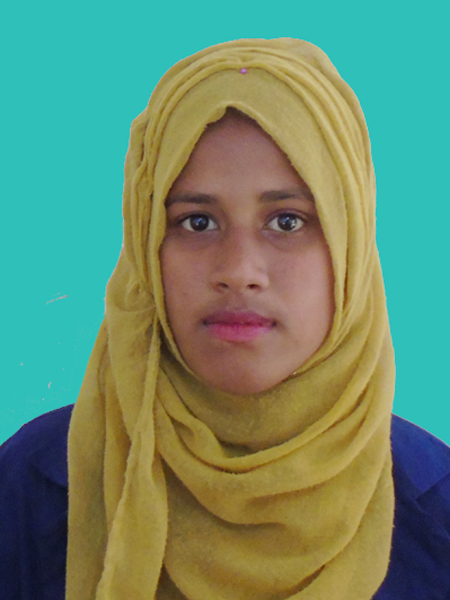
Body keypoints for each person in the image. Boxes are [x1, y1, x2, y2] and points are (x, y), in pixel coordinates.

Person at [1, 38, 449, 600]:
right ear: (146, 247)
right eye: (196, 222)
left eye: (287, 221)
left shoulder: (436, 511)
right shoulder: (31, 491)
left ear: (350, 245)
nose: (239, 272)